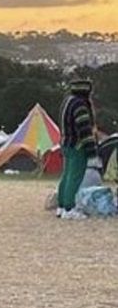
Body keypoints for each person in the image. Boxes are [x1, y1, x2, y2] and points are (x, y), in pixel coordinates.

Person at [57, 76, 98, 219]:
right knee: (75, 177)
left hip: (66, 143)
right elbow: (84, 129)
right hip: (77, 146)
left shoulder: (68, 101)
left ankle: (61, 206)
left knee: (66, 175)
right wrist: (92, 151)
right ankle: (69, 208)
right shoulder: (80, 105)